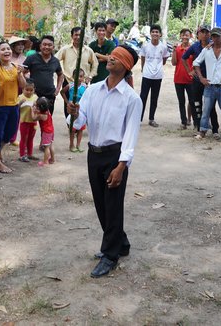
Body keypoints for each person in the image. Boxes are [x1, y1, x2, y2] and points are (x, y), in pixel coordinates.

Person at [67, 45, 142, 277]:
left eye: (117, 57)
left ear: (126, 66)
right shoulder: (93, 90)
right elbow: (79, 123)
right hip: (94, 153)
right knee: (101, 203)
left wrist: (122, 165)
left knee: (113, 204)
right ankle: (121, 242)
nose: (110, 58)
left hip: (114, 156)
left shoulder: (131, 99)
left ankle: (110, 254)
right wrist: (75, 113)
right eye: (112, 55)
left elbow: (131, 134)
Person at [0, 41, 26, 174]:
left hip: (13, 105)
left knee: (9, 133)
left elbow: (22, 86)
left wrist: (20, 74)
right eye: (3, 49)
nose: (6, 51)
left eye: (8, 49)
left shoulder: (15, 67)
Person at [183, 26, 219, 136]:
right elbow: (184, 58)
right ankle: (198, 127)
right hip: (197, 80)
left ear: (210, 34)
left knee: (211, 105)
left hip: (210, 80)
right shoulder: (195, 46)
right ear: (198, 34)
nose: (204, 34)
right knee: (196, 104)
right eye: (202, 32)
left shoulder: (213, 46)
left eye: (206, 32)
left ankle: (215, 129)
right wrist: (189, 71)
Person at [23, 35, 64, 115]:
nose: (47, 47)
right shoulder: (32, 58)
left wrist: (58, 89)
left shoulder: (55, 61)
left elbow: (60, 74)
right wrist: (27, 86)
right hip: (33, 95)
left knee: (46, 122)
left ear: (53, 47)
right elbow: (22, 72)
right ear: (40, 46)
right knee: (31, 121)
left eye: (49, 45)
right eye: (44, 44)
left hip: (50, 95)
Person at [139, 24, 170, 127]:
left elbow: (164, 59)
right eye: (153, 32)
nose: (155, 34)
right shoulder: (145, 46)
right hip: (147, 75)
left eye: (157, 32)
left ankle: (151, 119)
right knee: (142, 97)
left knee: (154, 98)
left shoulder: (163, 47)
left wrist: (158, 66)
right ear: (150, 33)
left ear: (160, 34)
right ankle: (138, 119)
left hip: (158, 76)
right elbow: (143, 58)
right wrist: (143, 69)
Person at [171, 28, 194, 129]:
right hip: (178, 78)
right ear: (180, 36)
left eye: (187, 35)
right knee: (181, 101)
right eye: (183, 35)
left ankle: (191, 120)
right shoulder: (177, 48)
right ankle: (183, 121)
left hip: (190, 79)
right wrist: (174, 51)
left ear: (190, 36)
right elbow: (174, 63)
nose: (185, 37)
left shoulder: (193, 49)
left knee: (192, 100)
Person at [17, 79, 38, 162]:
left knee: (30, 138)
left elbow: (39, 108)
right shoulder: (20, 97)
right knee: (23, 138)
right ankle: (22, 155)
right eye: (27, 90)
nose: (29, 92)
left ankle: (30, 154)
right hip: (24, 122)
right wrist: (20, 103)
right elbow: (15, 108)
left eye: (31, 90)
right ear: (23, 89)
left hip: (33, 122)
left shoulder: (35, 97)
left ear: (34, 90)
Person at [35, 97, 55, 166]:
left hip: (46, 132)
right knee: (50, 146)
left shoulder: (41, 115)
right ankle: (52, 159)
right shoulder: (47, 111)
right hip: (51, 130)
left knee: (46, 147)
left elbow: (33, 118)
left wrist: (32, 110)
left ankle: (45, 162)